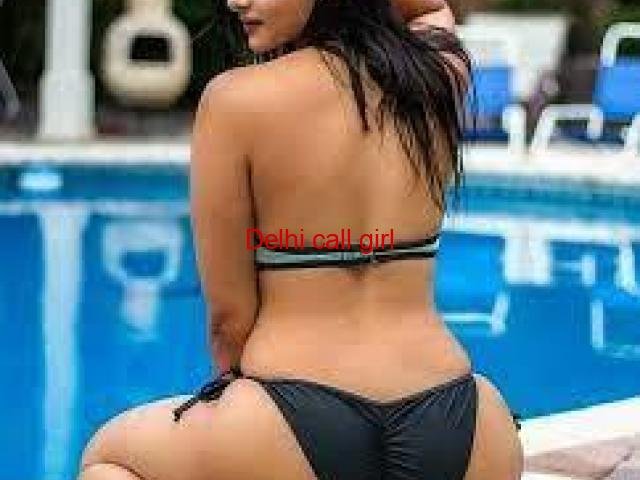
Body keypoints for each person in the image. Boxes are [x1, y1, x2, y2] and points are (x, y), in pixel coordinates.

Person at [77, 0, 524, 479]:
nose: (235, 1)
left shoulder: (236, 101)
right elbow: (432, 7)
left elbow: (229, 322)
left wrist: (239, 426)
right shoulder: (437, 75)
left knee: (106, 457)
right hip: (464, 421)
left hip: (284, 417)